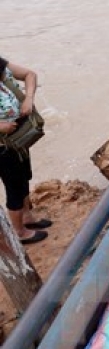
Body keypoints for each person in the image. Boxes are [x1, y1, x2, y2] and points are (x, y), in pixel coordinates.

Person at [0, 56, 50, 245]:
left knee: (24, 176)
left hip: (19, 138)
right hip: (3, 146)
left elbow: (30, 74)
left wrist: (28, 99)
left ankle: (27, 217)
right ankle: (19, 232)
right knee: (13, 186)